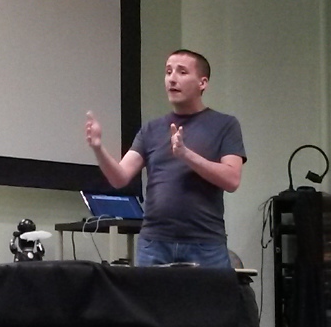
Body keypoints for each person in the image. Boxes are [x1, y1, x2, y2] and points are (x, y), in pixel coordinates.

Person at [84, 49, 246, 267]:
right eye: (168, 72)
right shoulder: (151, 129)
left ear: (203, 83)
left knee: (208, 292)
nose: (172, 79)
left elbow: (232, 179)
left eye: (182, 72)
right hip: (154, 243)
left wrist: (186, 155)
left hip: (205, 243)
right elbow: (119, 178)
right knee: (148, 292)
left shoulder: (225, 125)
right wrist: (98, 148)